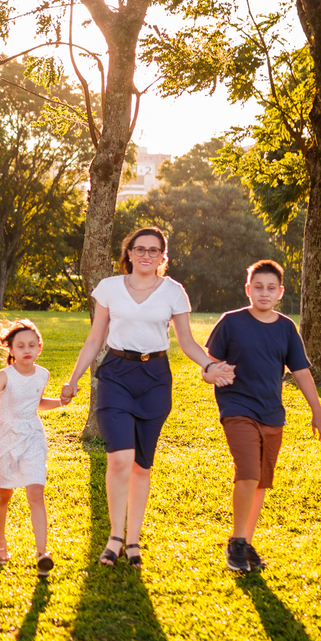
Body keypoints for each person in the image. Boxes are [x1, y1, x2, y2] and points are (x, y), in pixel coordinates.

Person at [60, 227, 235, 569]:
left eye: (154, 250)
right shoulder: (110, 287)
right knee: (120, 458)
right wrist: (73, 379)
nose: (146, 255)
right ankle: (115, 536)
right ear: (129, 253)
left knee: (142, 465)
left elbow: (187, 341)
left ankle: (134, 540)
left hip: (155, 379)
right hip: (115, 375)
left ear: (162, 257)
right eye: (139, 249)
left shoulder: (173, 292)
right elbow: (95, 338)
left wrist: (210, 365)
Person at [204, 259, 321, 572]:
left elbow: (301, 372)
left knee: (260, 482)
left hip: (272, 414)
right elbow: (208, 366)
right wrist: (212, 375)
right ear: (248, 289)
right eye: (258, 287)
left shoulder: (286, 328)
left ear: (280, 292)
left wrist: (318, 413)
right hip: (237, 409)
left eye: (271, 288)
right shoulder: (231, 322)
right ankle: (236, 543)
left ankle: (245, 543)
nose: (264, 293)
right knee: (248, 473)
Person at [0, 318, 64, 576]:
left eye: (32, 345)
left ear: (39, 348)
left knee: (36, 491)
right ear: (10, 349)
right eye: (20, 346)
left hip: (32, 436)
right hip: (5, 437)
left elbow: (37, 402)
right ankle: (0, 541)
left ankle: (42, 553)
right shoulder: (5, 375)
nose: (27, 350)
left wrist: (61, 401)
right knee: (4, 493)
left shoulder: (43, 374)